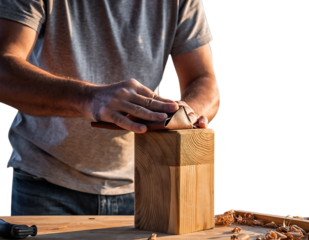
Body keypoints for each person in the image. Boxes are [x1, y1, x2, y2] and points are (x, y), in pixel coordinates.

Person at [0, 0, 219, 215]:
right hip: (46, 182)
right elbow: (3, 71)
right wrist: (88, 99)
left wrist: (183, 114)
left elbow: (203, 79)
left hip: (147, 183)